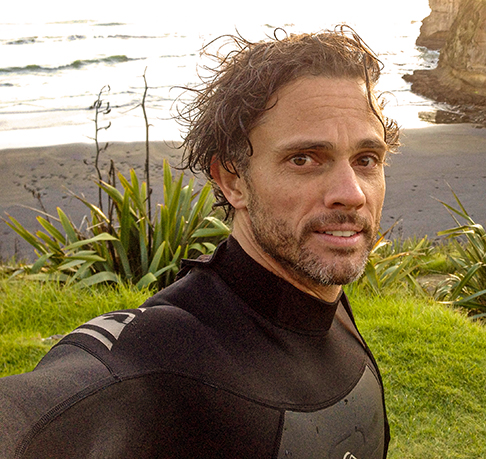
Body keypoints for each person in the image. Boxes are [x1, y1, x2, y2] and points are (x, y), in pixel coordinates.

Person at [0, 26, 399, 458]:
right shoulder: (160, 350)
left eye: (366, 159)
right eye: (303, 159)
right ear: (232, 180)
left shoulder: (324, 297)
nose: (352, 192)